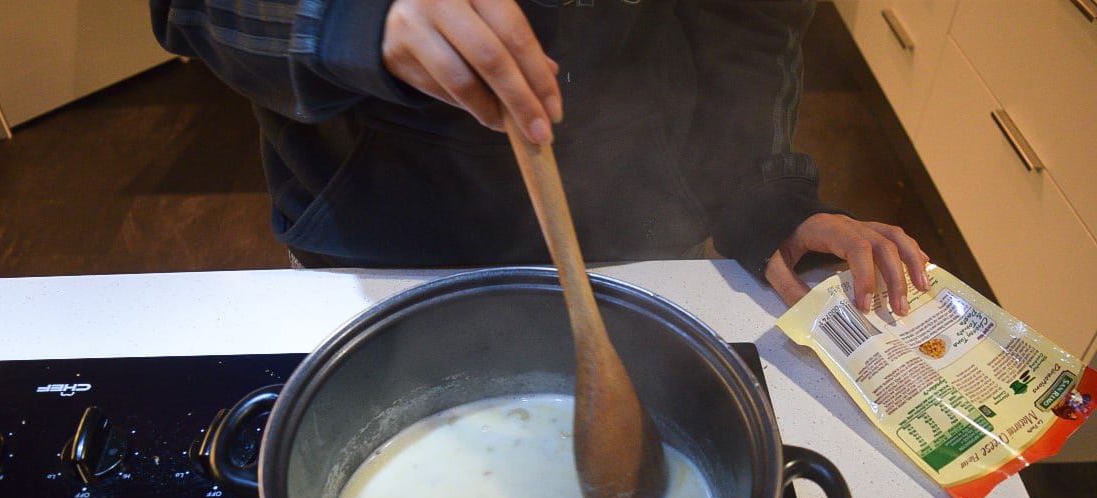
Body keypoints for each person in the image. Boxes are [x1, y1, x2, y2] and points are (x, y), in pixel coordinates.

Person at [150, 0, 930, 315]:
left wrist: (762, 191)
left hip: (643, 248)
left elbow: (746, 19)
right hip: (381, 246)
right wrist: (350, 16)